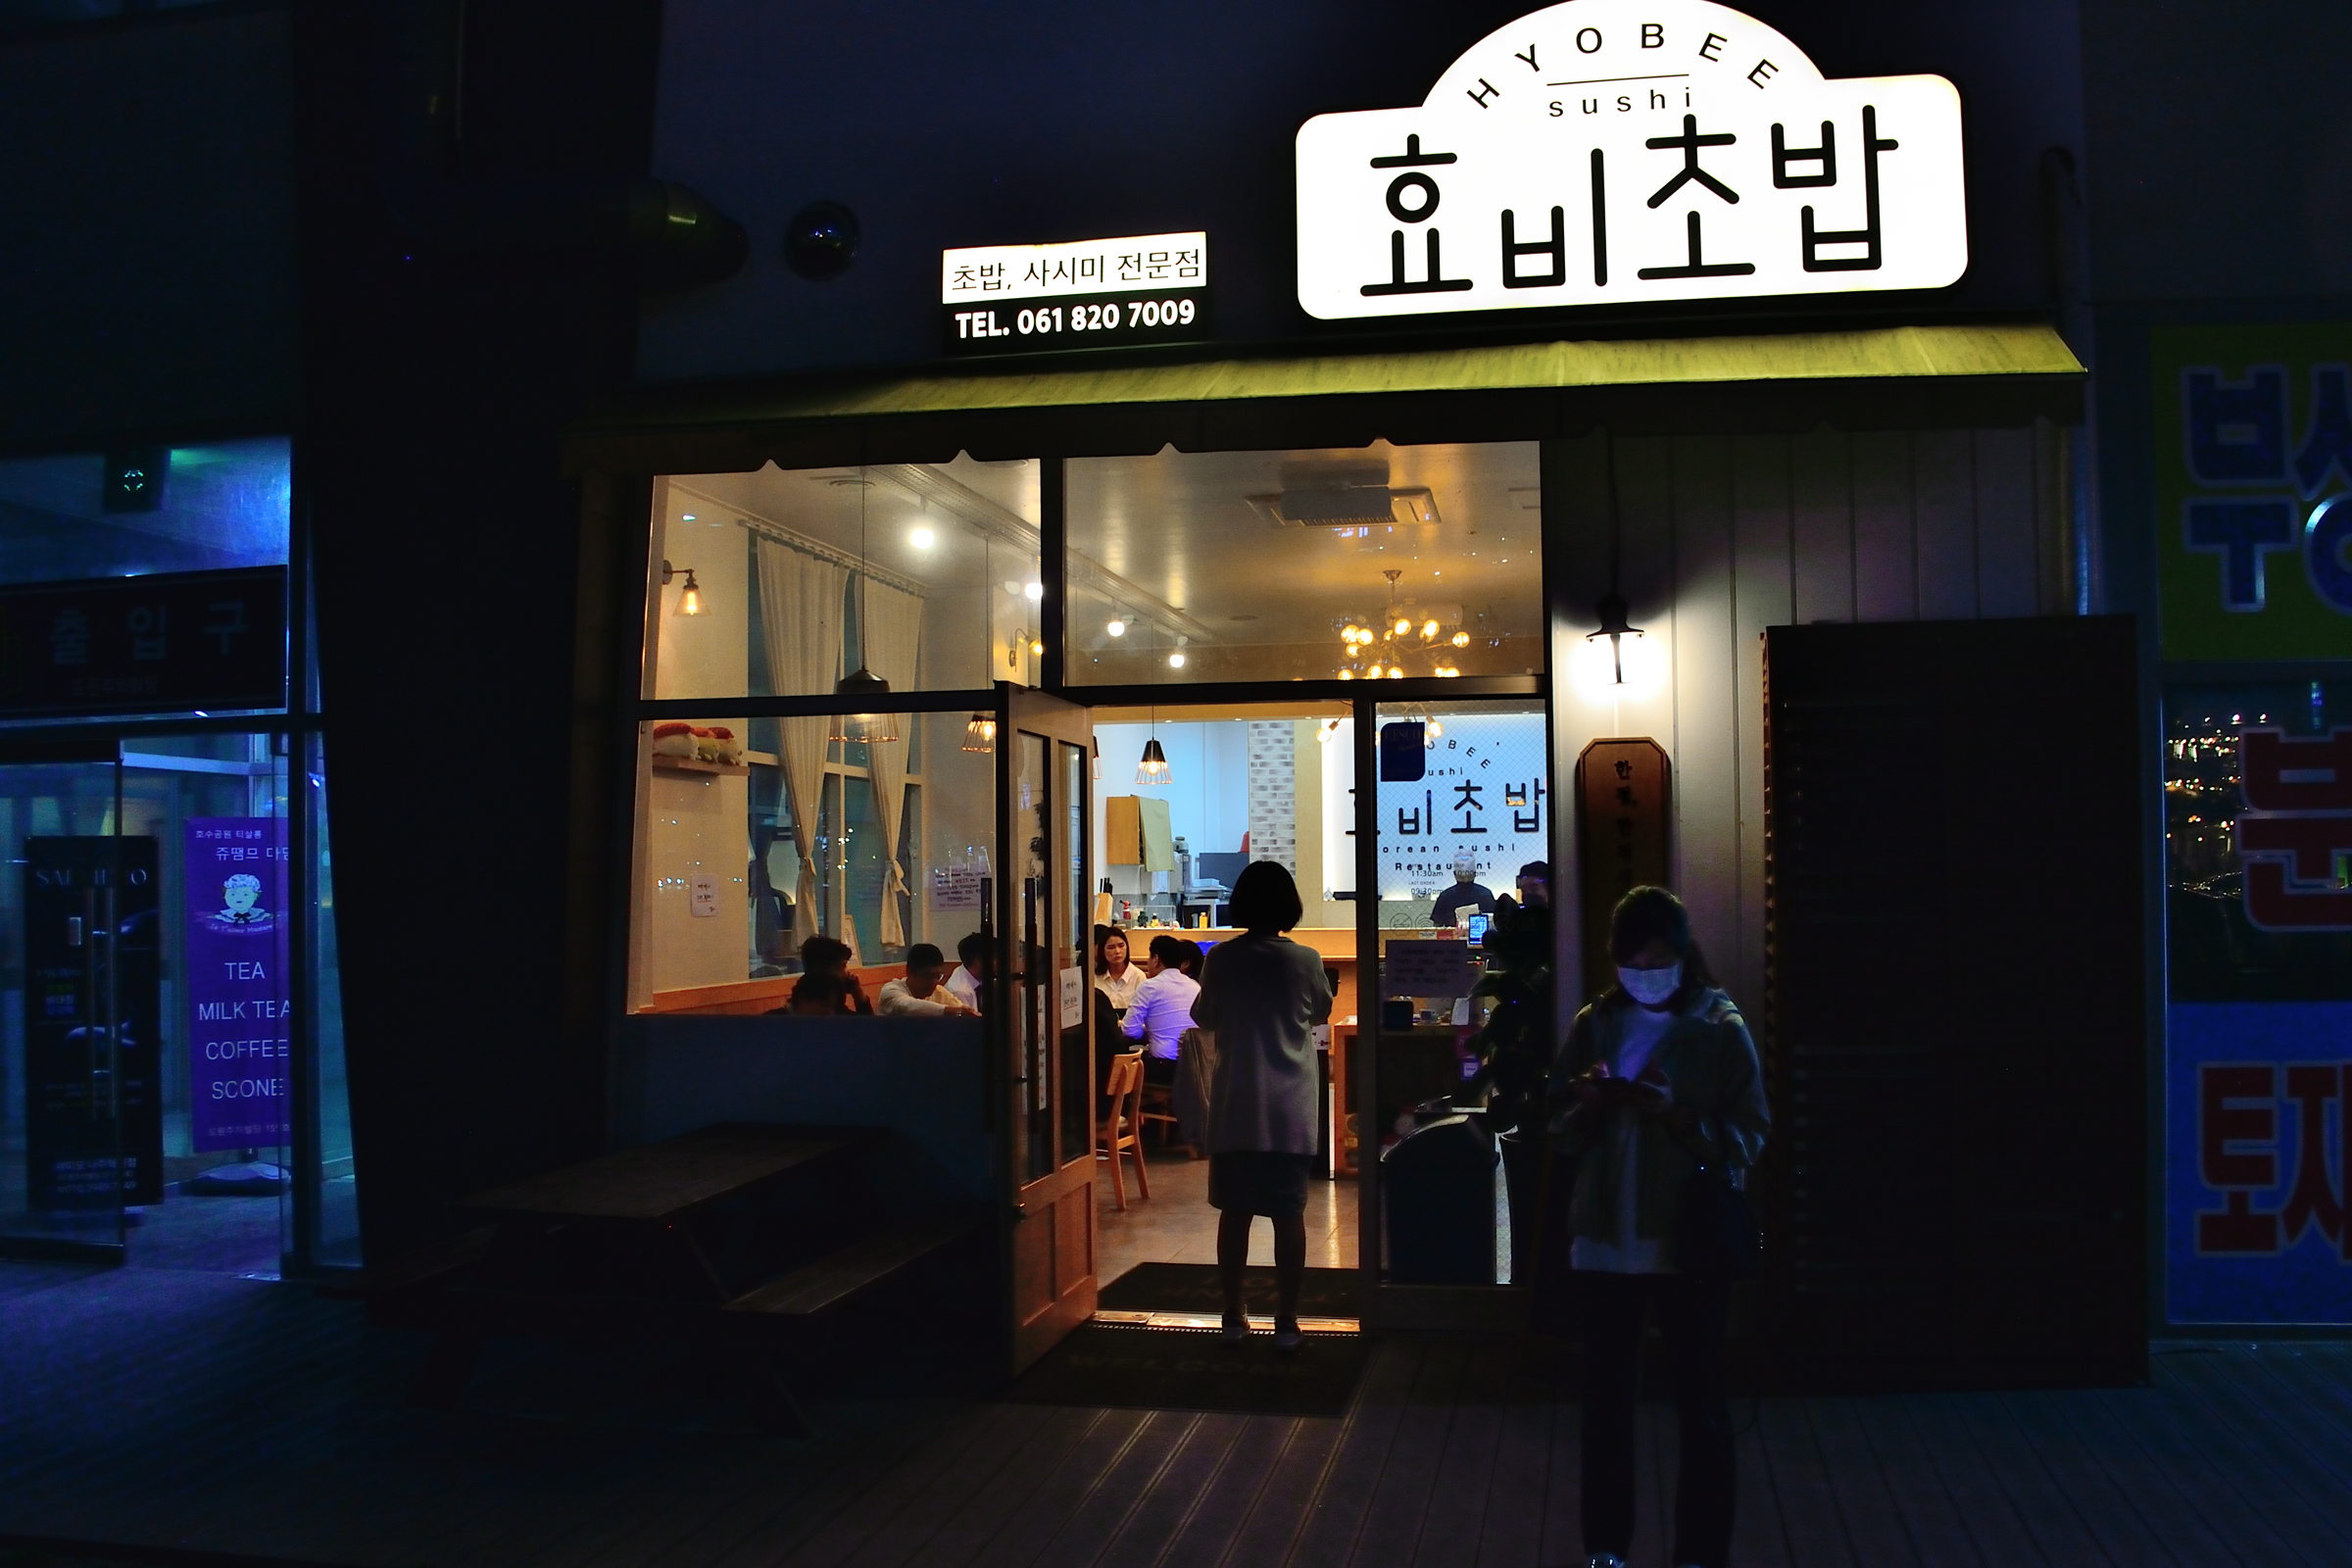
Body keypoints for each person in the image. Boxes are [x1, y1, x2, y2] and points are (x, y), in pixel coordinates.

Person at [1544, 885, 1768, 1568]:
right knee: (1605, 1404)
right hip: (1605, 1240)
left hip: (1687, 1240)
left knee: (1700, 1402)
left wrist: (1676, 1115)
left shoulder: (1718, 1027)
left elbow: (1749, 1135)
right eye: (1632, 964)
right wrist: (1586, 1107)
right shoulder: (1596, 1022)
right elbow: (1556, 1126)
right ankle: (1606, 1548)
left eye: (1658, 962)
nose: (1645, 976)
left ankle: (1700, 1552)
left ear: (1682, 956)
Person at [1194, 860, 1333, 1352]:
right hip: (1290, 1106)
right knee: (1288, 1214)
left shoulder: (1221, 959)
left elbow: (1204, 1016)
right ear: (1289, 906)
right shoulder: (1305, 959)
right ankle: (1287, 1320)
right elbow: (1321, 1009)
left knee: (1234, 1214)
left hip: (1237, 1102)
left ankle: (1233, 1314)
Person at [1120, 933, 1200, 1085]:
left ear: (1155, 959)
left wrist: (1148, 1031)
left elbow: (1129, 1030)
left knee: (1125, 1068)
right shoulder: (1195, 986)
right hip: (1194, 1067)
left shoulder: (1149, 986)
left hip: (1164, 1067)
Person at [877, 943, 977, 1016]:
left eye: (938, 977)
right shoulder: (890, 991)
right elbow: (906, 1005)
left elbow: (960, 1009)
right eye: (928, 976)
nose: (934, 982)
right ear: (909, 972)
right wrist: (949, 1011)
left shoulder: (939, 992)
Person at [800, 935, 872, 1014]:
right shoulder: (829, 1009)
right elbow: (866, 1022)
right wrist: (859, 997)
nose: (846, 974)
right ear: (822, 970)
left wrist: (858, 994)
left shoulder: (833, 1005)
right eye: (843, 966)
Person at [1430, 852, 1495, 928]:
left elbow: (1437, 926)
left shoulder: (1445, 896)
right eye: (1462, 877)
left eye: (1467, 876)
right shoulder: (1485, 894)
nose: (1465, 880)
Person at [1094, 925, 1143, 1012]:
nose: (1117, 951)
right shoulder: (1095, 977)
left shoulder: (1138, 976)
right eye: (1111, 947)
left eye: (1121, 946)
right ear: (1103, 951)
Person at [943, 931, 988, 1013]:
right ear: (979, 959)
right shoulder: (959, 990)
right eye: (996, 957)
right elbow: (969, 1020)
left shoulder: (970, 972)